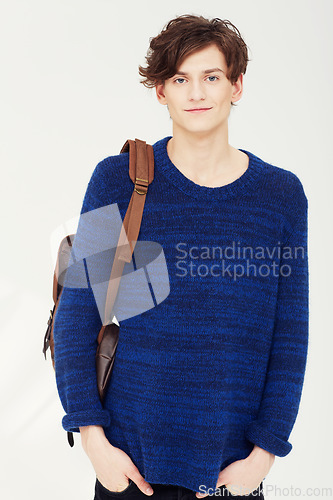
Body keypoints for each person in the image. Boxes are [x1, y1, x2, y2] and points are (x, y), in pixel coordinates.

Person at [53, 14, 309, 500]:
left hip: (230, 473)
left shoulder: (281, 196)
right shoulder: (119, 179)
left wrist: (263, 455)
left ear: (237, 86)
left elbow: (289, 336)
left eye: (211, 77)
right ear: (160, 92)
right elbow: (76, 316)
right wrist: (92, 439)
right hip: (128, 467)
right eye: (179, 79)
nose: (196, 93)